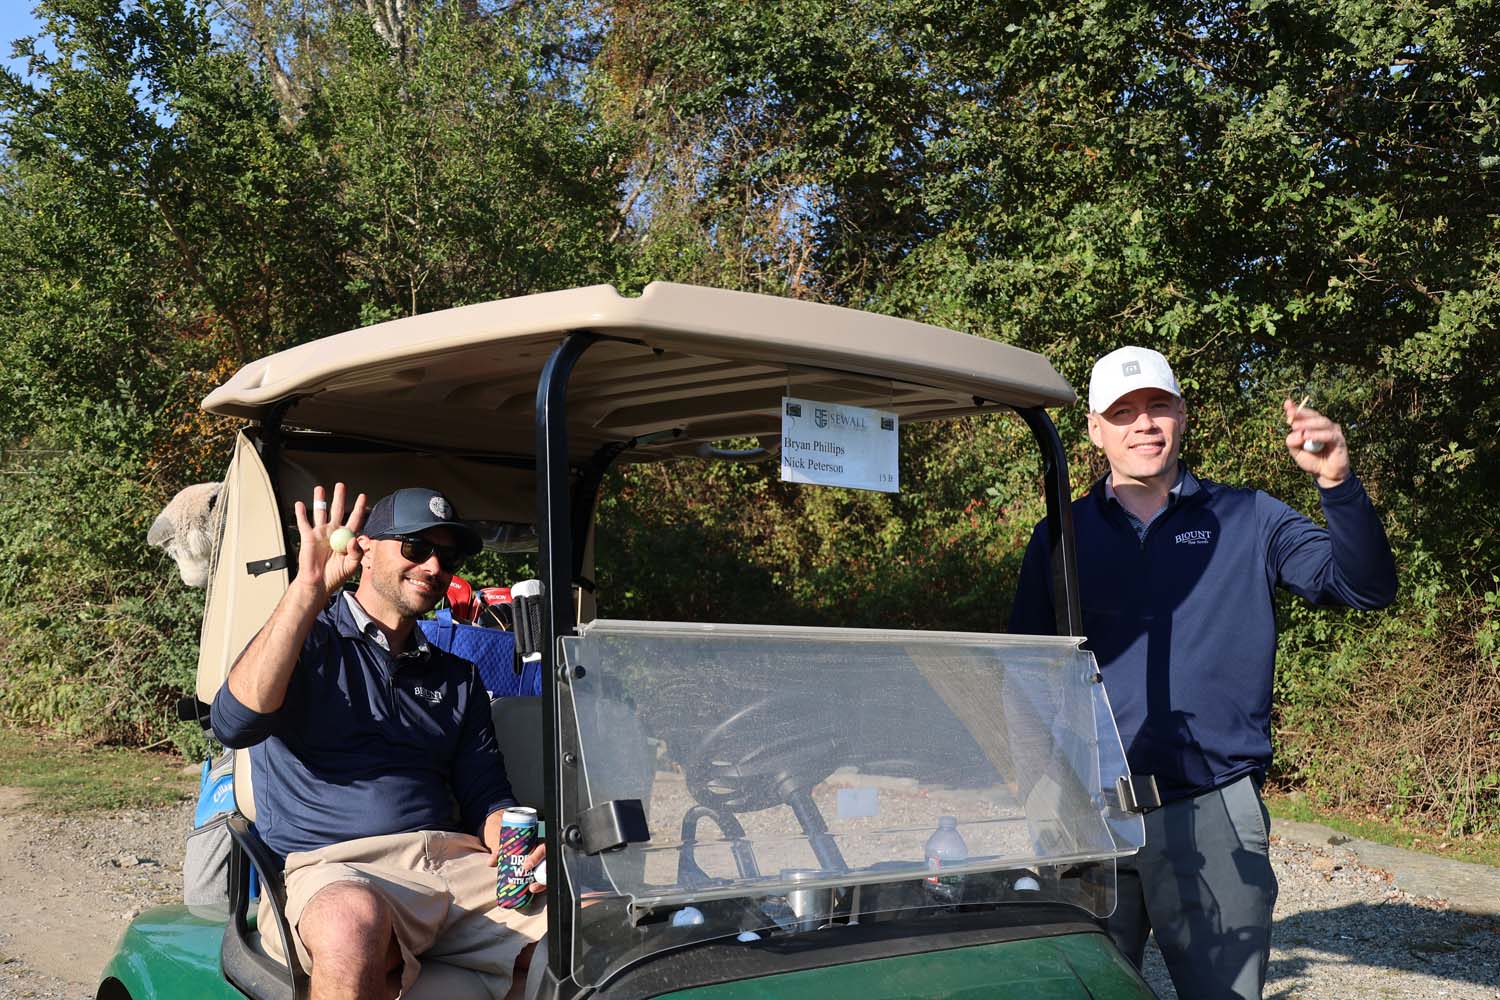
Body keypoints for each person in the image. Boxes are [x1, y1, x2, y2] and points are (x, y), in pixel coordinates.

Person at [1008, 346, 1397, 1000]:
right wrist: (1040, 797)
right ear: (1095, 430)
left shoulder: (1249, 517)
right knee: (1082, 991)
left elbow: (1365, 587)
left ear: (1183, 416)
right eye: (1123, 412)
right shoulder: (1061, 535)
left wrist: (1337, 483)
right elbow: (1023, 673)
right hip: (1088, 816)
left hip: (1212, 804)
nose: (1144, 424)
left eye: (1158, 406)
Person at [211, 483, 545, 1000]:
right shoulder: (305, 642)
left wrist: (513, 845)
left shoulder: (458, 677)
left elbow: (486, 795)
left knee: (597, 930)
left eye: (447, 557)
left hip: (454, 866)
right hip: (341, 869)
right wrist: (308, 590)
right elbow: (235, 723)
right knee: (351, 923)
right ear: (363, 549)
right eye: (416, 547)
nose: (434, 567)